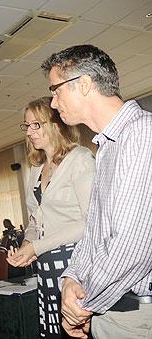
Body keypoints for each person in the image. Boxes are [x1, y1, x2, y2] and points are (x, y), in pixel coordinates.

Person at [41, 44, 152, 339]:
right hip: (111, 308)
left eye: (56, 90)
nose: (53, 103)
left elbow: (132, 247)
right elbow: (94, 233)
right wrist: (70, 278)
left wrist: (82, 302)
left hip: (133, 315)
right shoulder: (107, 146)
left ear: (85, 84)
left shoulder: (140, 134)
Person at [6, 97, 95, 338]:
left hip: (75, 264)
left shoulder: (80, 159)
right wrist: (28, 245)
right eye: (27, 126)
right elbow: (36, 218)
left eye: (37, 124)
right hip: (46, 266)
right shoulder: (36, 168)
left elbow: (90, 222)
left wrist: (37, 246)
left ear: (56, 123)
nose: (30, 132)